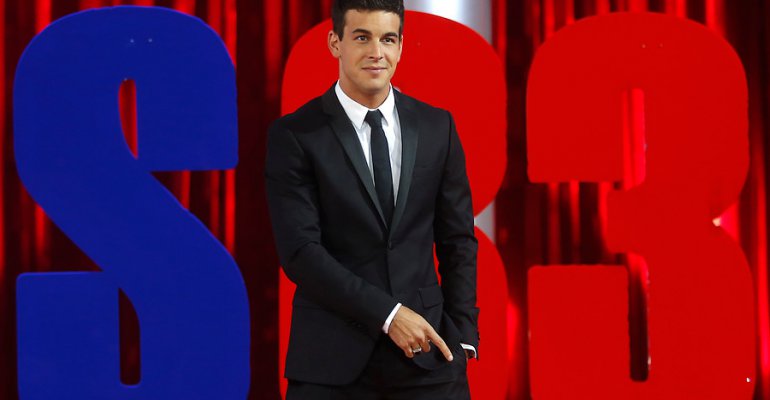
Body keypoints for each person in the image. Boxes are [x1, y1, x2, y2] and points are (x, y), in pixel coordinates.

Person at [265, 0, 478, 398]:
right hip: (331, 364)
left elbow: (458, 239)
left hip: (429, 359)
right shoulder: (295, 135)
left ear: (401, 46)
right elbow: (301, 253)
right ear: (335, 42)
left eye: (388, 39)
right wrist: (389, 315)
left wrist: (463, 335)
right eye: (362, 38)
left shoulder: (438, 127)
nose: (376, 52)